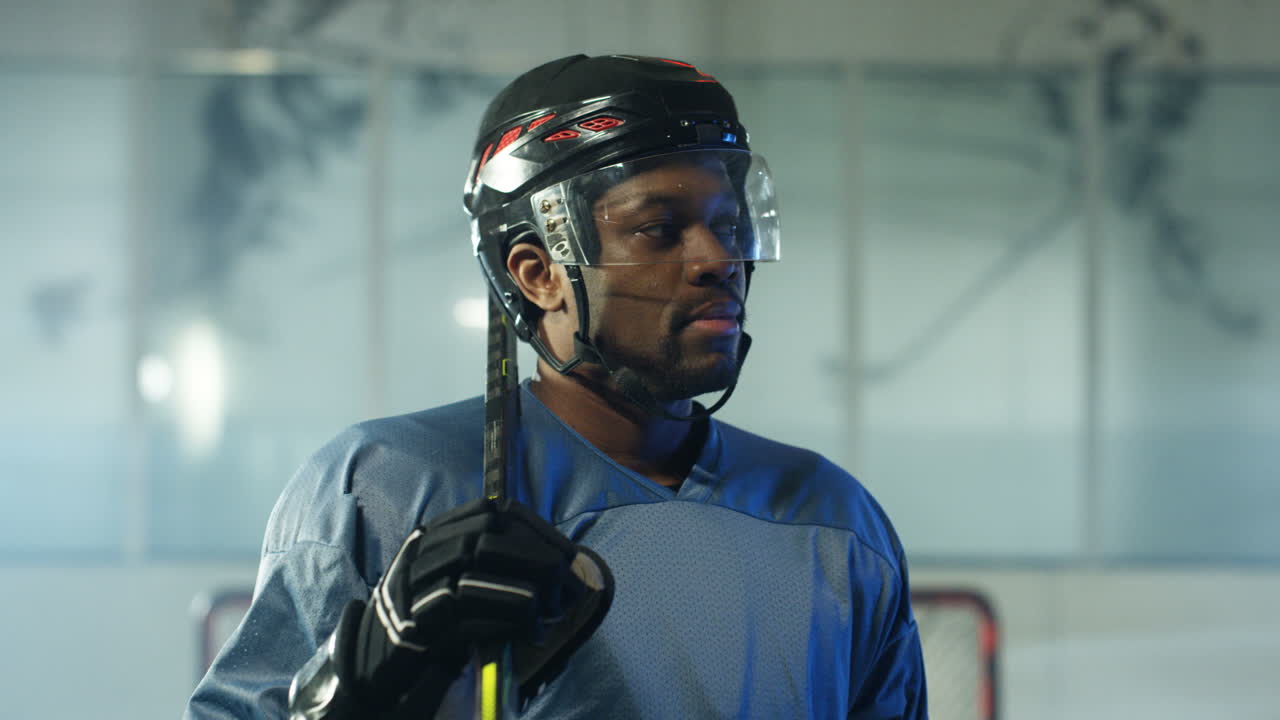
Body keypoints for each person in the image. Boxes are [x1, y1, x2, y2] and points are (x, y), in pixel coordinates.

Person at [185, 54, 927, 720]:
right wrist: (356, 686)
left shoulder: (838, 523)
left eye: (727, 225)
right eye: (660, 229)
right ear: (537, 273)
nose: (717, 259)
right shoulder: (384, 488)